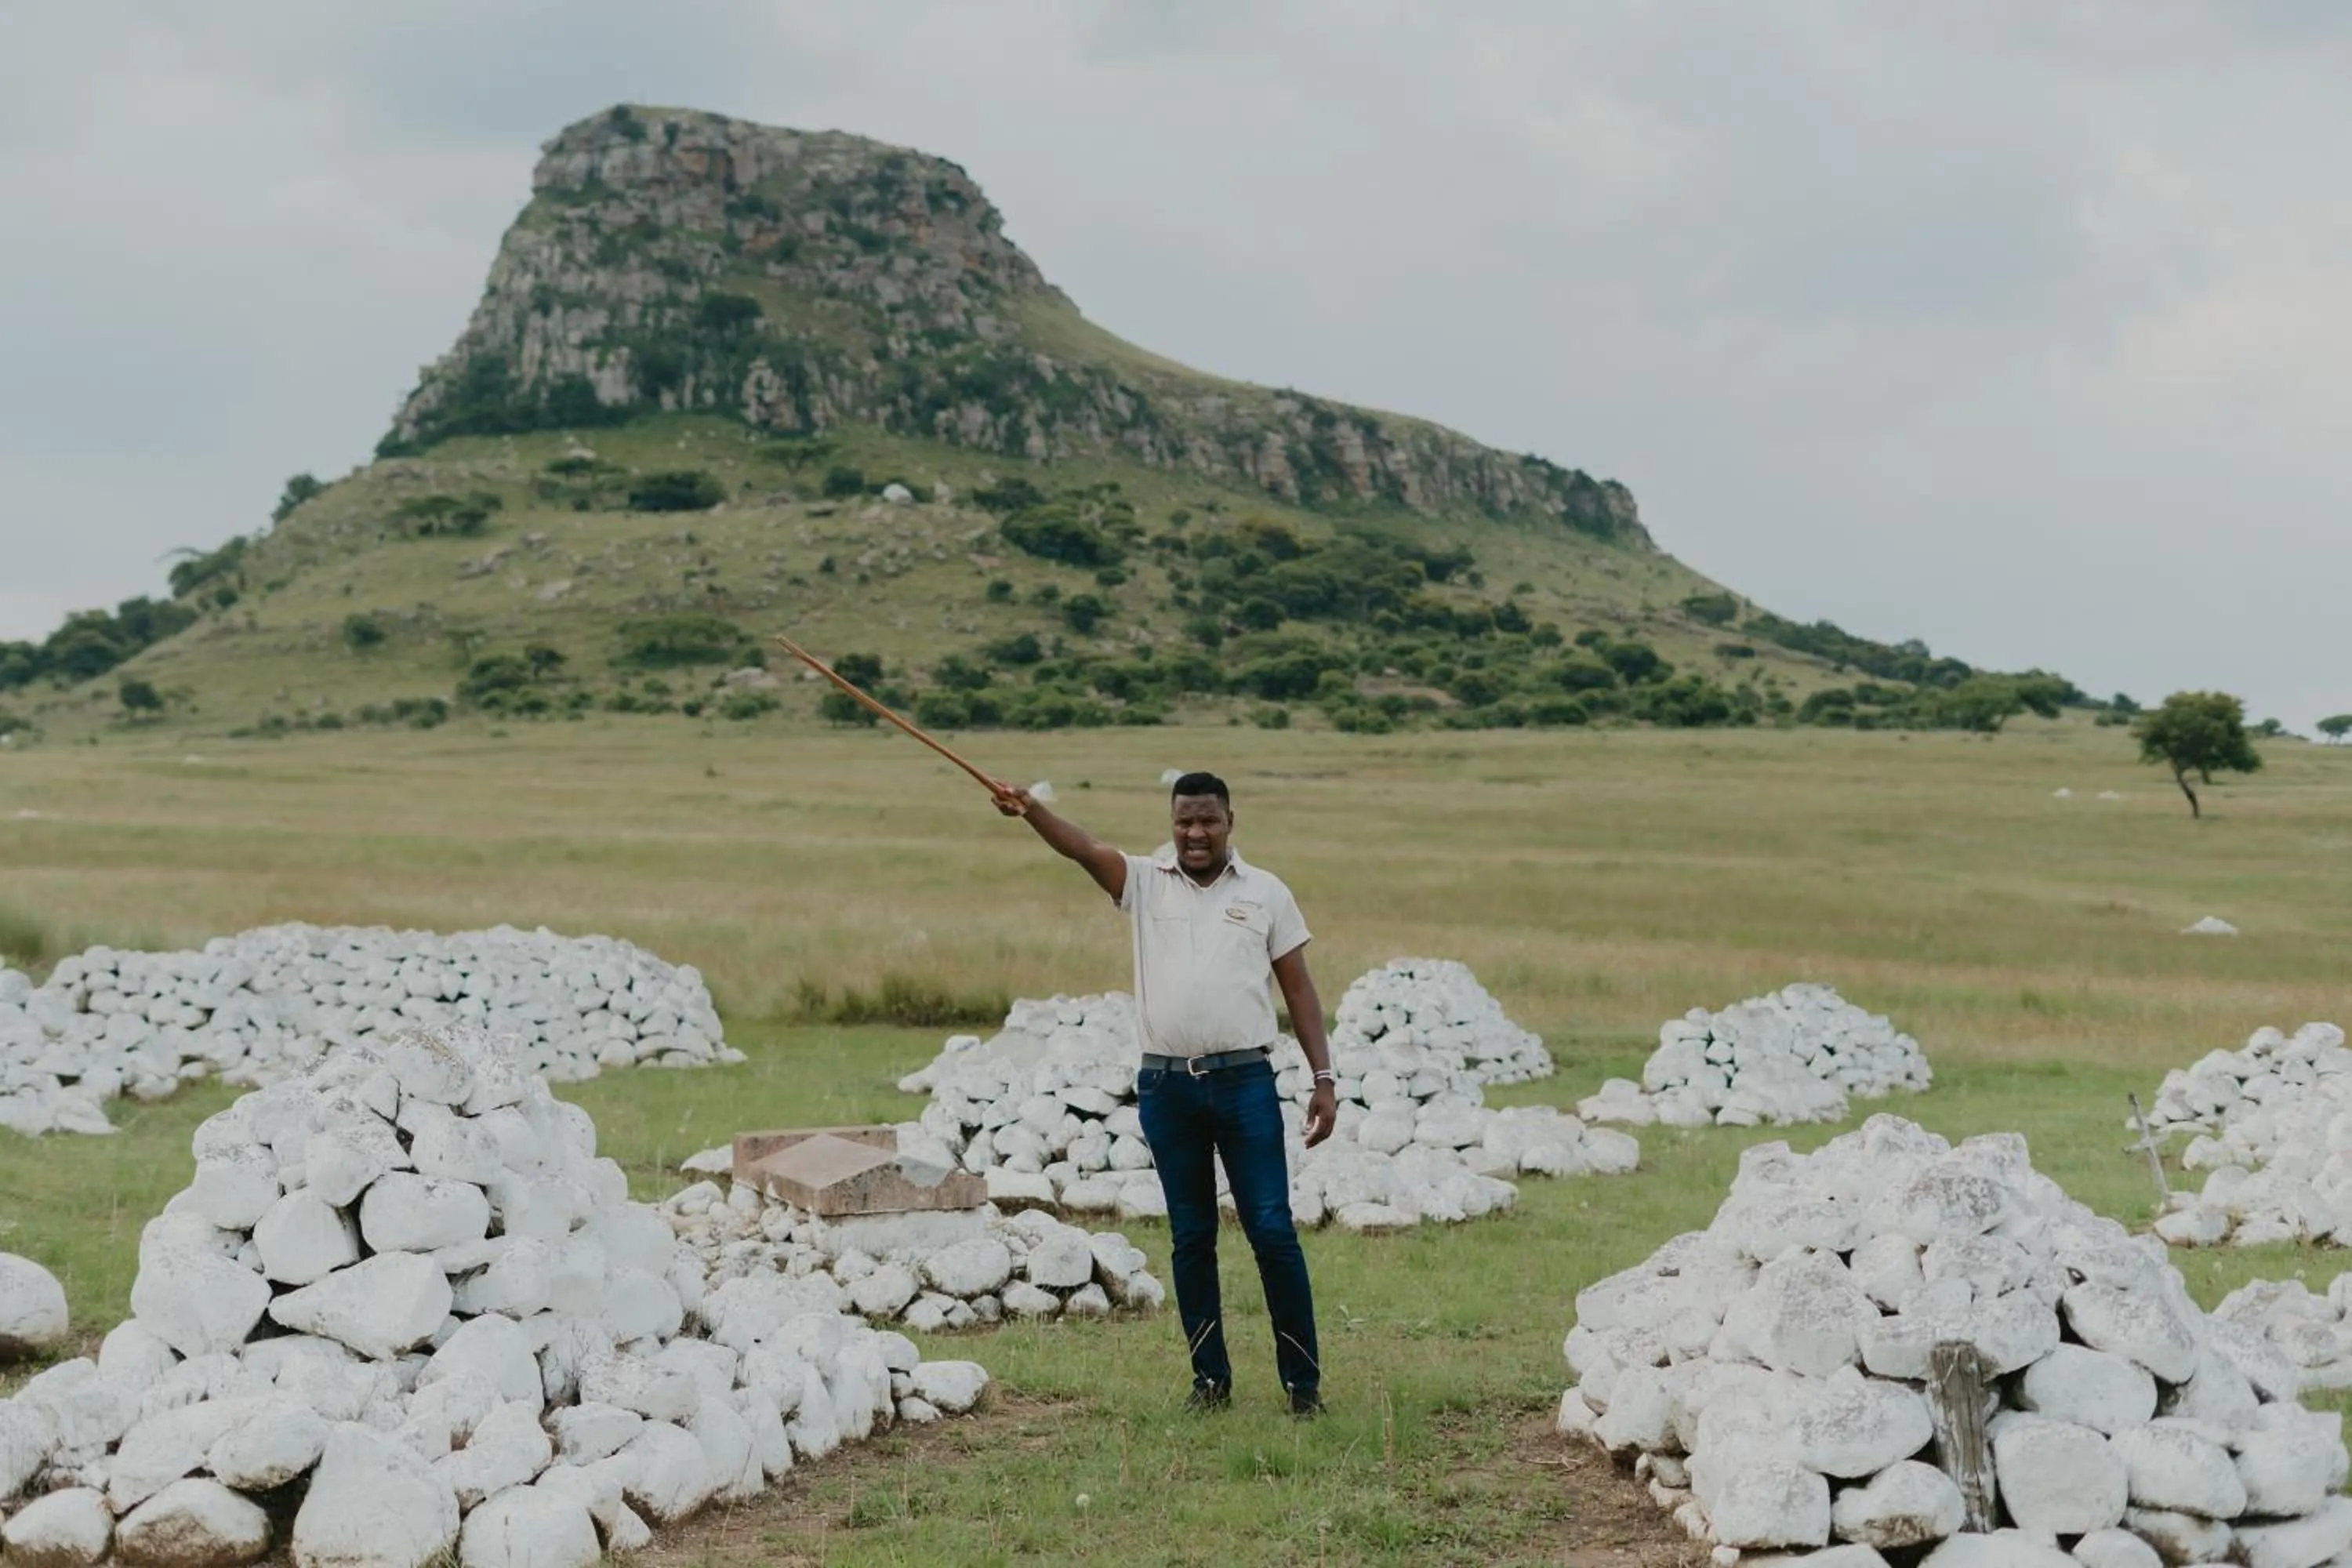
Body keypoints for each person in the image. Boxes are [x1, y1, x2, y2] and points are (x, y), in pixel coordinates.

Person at [989, 768, 1337, 1416]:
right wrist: (1033, 810)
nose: (1195, 833)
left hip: (1246, 1084)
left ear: (1230, 822)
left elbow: (1299, 990)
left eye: (1207, 820)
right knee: (1191, 1237)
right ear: (1171, 824)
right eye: (1183, 822)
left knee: (1272, 1232)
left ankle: (1303, 1385)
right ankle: (1210, 1381)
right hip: (1167, 1087)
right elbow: (1084, 849)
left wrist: (1324, 1079)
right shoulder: (1145, 882)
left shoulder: (1266, 893)